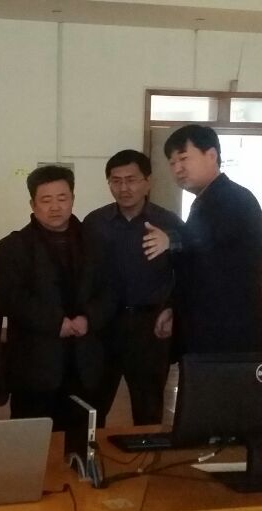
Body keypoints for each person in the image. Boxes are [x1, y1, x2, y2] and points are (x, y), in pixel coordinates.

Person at [0, 165, 115, 431]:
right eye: (46, 200)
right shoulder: (13, 247)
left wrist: (88, 319)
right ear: (33, 204)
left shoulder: (97, 243)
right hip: (34, 365)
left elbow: (110, 290)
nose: (55, 207)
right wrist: (55, 323)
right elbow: (9, 297)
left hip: (86, 362)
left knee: (84, 436)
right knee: (33, 439)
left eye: (62, 198)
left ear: (73, 198)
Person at [143, 124, 262, 355]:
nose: (177, 168)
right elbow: (194, 265)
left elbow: (210, 240)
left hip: (229, 332)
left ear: (211, 155)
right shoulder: (206, 200)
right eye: (172, 163)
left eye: (184, 158)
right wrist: (173, 307)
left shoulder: (235, 198)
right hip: (208, 328)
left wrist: (171, 239)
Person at [84, 150, 182, 426]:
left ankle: (147, 453)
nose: (124, 188)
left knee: (148, 407)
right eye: (116, 181)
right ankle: (89, 452)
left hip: (149, 327)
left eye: (131, 180)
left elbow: (187, 271)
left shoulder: (168, 222)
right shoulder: (94, 223)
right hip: (103, 327)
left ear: (147, 182)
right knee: (93, 404)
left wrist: (172, 308)